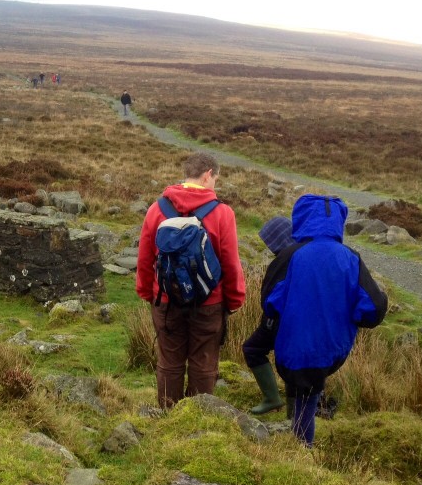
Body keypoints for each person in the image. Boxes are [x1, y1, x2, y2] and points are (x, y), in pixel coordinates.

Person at [256, 194, 388, 445]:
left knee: (302, 393)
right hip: (332, 349)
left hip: (292, 346)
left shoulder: (291, 255)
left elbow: (270, 304)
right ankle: (299, 444)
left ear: (301, 218)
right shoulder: (350, 258)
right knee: (309, 393)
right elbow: (372, 311)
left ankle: (301, 452)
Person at [136, 152, 246, 407]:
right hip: (208, 302)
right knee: (204, 362)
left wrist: (147, 292)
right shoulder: (222, 213)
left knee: (170, 362)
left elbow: (144, 256)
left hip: (166, 300)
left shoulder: (157, 209)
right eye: (215, 178)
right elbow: (230, 262)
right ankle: (197, 421)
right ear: (208, 175)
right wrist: (234, 299)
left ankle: (166, 417)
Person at [242, 216, 295, 415]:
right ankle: (291, 412)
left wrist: (270, 318)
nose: (270, 247)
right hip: (295, 320)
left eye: (271, 242)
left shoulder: (285, 259)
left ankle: (274, 399)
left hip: (280, 319)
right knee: (291, 362)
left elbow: (270, 295)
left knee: (254, 348)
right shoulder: (302, 254)